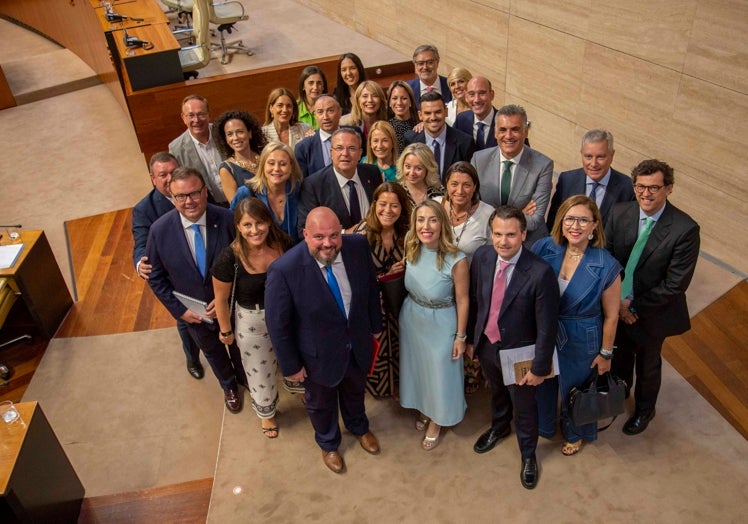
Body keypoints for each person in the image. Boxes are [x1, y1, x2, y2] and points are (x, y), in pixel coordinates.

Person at [265, 207, 383, 474]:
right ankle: (329, 443)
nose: (328, 244)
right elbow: (278, 325)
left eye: (333, 235)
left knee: (355, 391)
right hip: (316, 356)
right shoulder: (284, 270)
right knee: (320, 404)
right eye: (319, 237)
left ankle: (359, 427)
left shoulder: (357, 246)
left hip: (356, 343)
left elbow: (370, 289)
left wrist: (375, 327)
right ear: (305, 234)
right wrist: (292, 366)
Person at [467, 206, 559, 489]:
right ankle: (499, 427)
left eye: (510, 235)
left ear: (523, 234)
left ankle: (529, 454)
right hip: (488, 346)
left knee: (525, 406)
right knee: (496, 393)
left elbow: (547, 326)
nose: (502, 242)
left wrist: (540, 367)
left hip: (521, 354)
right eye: (497, 234)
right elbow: (475, 300)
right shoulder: (482, 257)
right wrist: (473, 339)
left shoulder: (540, 272)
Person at [606, 159, 700, 435]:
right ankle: (620, 393)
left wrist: (631, 306)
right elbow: (608, 259)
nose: (645, 194)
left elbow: (675, 285)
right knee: (619, 355)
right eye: (640, 187)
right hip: (618, 304)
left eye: (654, 188)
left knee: (648, 365)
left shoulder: (685, 229)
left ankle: (645, 410)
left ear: (669, 188)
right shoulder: (620, 212)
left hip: (652, 312)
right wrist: (617, 303)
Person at [146, 167, 245, 413]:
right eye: (181, 196)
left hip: (231, 307)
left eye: (194, 193)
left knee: (239, 346)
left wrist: (227, 299)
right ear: (172, 196)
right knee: (213, 352)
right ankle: (229, 386)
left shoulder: (227, 219)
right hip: (193, 314)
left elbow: (244, 263)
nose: (188, 201)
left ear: (205, 191)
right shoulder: (159, 231)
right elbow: (156, 277)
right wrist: (179, 311)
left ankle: (245, 378)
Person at [532, 195, 622, 455]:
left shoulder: (606, 264)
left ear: (595, 225)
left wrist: (606, 353)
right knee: (543, 380)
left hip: (583, 333)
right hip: (546, 329)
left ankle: (576, 432)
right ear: (561, 221)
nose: (576, 225)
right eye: (570, 218)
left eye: (584, 220)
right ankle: (545, 425)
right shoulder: (543, 247)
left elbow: (612, 316)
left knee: (578, 388)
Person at [212, 198, 292, 438]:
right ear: (238, 226)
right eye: (247, 225)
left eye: (259, 223)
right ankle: (266, 415)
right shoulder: (229, 258)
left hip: (286, 314)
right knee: (259, 369)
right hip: (252, 319)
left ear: (268, 222)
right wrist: (225, 330)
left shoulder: (284, 243)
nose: (254, 230)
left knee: (293, 359)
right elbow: (221, 299)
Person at [399, 200, 469, 450]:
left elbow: (463, 299)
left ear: (443, 223)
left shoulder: (457, 259)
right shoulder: (411, 245)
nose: (425, 226)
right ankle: (425, 408)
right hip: (412, 316)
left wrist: (460, 336)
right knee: (419, 369)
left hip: (442, 321)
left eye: (432, 219)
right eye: (420, 220)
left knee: (440, 373)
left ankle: (437, 420)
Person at [132, 152, 202, 379]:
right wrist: (140, 261)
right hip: (177, 277)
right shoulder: (145, 209)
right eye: (163, 175)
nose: (169, 178)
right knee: (186, 321)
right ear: (153, 178)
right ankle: (192, 358)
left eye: (173, 172)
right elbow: (141, 242)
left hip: (203, 265)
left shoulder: (194, 191)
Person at [352, 182, 411, 398]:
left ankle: (400, 385)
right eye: (383, 204)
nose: (388, 210)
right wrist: (383, 278)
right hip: (372, 305)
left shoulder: (407, 233)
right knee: (378, 347)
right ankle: (379, 387)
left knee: (400, 345)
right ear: (374, 204)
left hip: (399, 303)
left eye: (394, 205)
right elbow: (353, 278)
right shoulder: (361, 234)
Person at [470, 104, 553, 247]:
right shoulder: (478, 160)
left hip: (528, 243)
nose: (508, 136)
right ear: (495, 132)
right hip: (487, 239)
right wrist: (520, 213)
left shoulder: (543, 165)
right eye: (502, 130)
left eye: (515, 129)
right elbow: (472, 208)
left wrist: (489, 214)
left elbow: (534, 220)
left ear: (526, 132)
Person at [297, 128, 382, 233]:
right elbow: (305, 230)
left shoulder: (372, 173)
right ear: (331, 153)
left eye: (351, 148)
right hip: (336, 248)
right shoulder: (313, 185)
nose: (345, 153)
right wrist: (344, 233)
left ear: (360, 153)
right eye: (339, 148)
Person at [547, 129, 636, 228]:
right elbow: (554, 223)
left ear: (612, 155)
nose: (593, 164)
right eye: (588, 156)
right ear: (581, 154)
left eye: (600, 157)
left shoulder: (627, 188)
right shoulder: (567, 180)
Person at [231, 141, 303, 244]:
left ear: (291, 167)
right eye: (271, 163)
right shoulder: (246, 193)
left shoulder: (301, 190)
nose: (276, 169)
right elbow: (232, 226)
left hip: (295, 255)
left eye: (283, 164)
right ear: (263, 165)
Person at [404, 92, 475, 183]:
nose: (433, 117)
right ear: (420, 115)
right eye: (428, 113)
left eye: (438, 112)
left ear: (446, 112)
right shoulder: (410, 140)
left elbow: (470, 180)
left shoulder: (465, 142)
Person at [169, 94, 227, 205]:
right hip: (207, 205)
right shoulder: (176, 149)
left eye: (201, 114)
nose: (196, 120)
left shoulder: (223, 132)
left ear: (209, 115)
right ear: (183, 118)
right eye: (191, 115)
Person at [441, 161, 493, 262]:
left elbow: (492, 256)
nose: (460, 191)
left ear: (474, 187)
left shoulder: (488, 214)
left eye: (466, 185)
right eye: (454, 184)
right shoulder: (435, 206)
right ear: (447, 184)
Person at [214, 110, 268, 203]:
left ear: (250, 133)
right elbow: (237, 206)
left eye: (240, 132)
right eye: (230, 134)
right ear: (226, 139)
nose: (235, 138)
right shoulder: (226, 169)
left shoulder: (266, 155)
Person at [294, 95, 343, 178]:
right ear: (315, 115)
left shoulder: (355, 134)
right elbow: (302, 182)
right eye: (320, 112)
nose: (325, 117)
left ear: (340, 112)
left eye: (330, 111)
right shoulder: (303, 147)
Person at [454, 76, 498, 151]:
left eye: (482, 93)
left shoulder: (504, 122)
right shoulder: (461, 120)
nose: (476, 100)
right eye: (472, 94)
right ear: (467, 97)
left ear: (491, 95)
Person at [396, 143, 443, 208]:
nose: (412, 173)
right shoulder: (396, 192)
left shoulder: (439, 191)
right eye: (408, 167)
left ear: (428, 168)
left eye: (418, 168)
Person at [406, 44, 452, 109]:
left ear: (437, 62)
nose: (425, 67)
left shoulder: (450, 85)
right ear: (415, 65)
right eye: (421, 63)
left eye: (430, 62)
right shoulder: (408, 88)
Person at [387, 80, 419, 154]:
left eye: (404, 98)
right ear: (389, 103)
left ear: (410, 101)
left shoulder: (419, 124)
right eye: (395, 98)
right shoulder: (386, 128)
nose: (399, 103)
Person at [297, 66, 328, 130]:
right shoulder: (294, 108)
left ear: (323, 86)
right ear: (303, 86)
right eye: (311, 83)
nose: (315, 87)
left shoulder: (331, 106)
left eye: (319, 83)